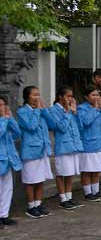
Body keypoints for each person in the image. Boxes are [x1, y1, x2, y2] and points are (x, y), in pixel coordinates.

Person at [45, 87, 84, 209]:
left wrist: (75, 112)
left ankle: (69, 196)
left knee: (69, 173)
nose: (70, 99)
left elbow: (80, 126)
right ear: (60, 97)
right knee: (61, 173)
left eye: (71, 96)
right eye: (68, 96)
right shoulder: (53, 110)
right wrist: (67, 113)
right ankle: (62, 198)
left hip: (73, 145)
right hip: (63, 146)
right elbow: (60, 128)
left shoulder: (70, 110)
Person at [17, 86, 54, 218]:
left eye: (39, 94)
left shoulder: (40, 111)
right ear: (27, 97)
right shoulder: (22, 112)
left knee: (40, 179)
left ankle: (38, 204)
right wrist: (38, 111)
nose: (37, 97)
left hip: (43, 149)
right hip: (31, 150)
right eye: (34, 95)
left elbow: (52, 124)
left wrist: (45, 110)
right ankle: (31, 206)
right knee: (31, 180)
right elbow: (31, 126)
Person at [0, 96, 21, 226]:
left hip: (8, 159)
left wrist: (10, 118)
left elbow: (18, 133)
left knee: (7, 189)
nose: (1, 107)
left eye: (3, 104)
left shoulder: (6, 120)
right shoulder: (3, 121)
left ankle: (4, 215)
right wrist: (3, 119)